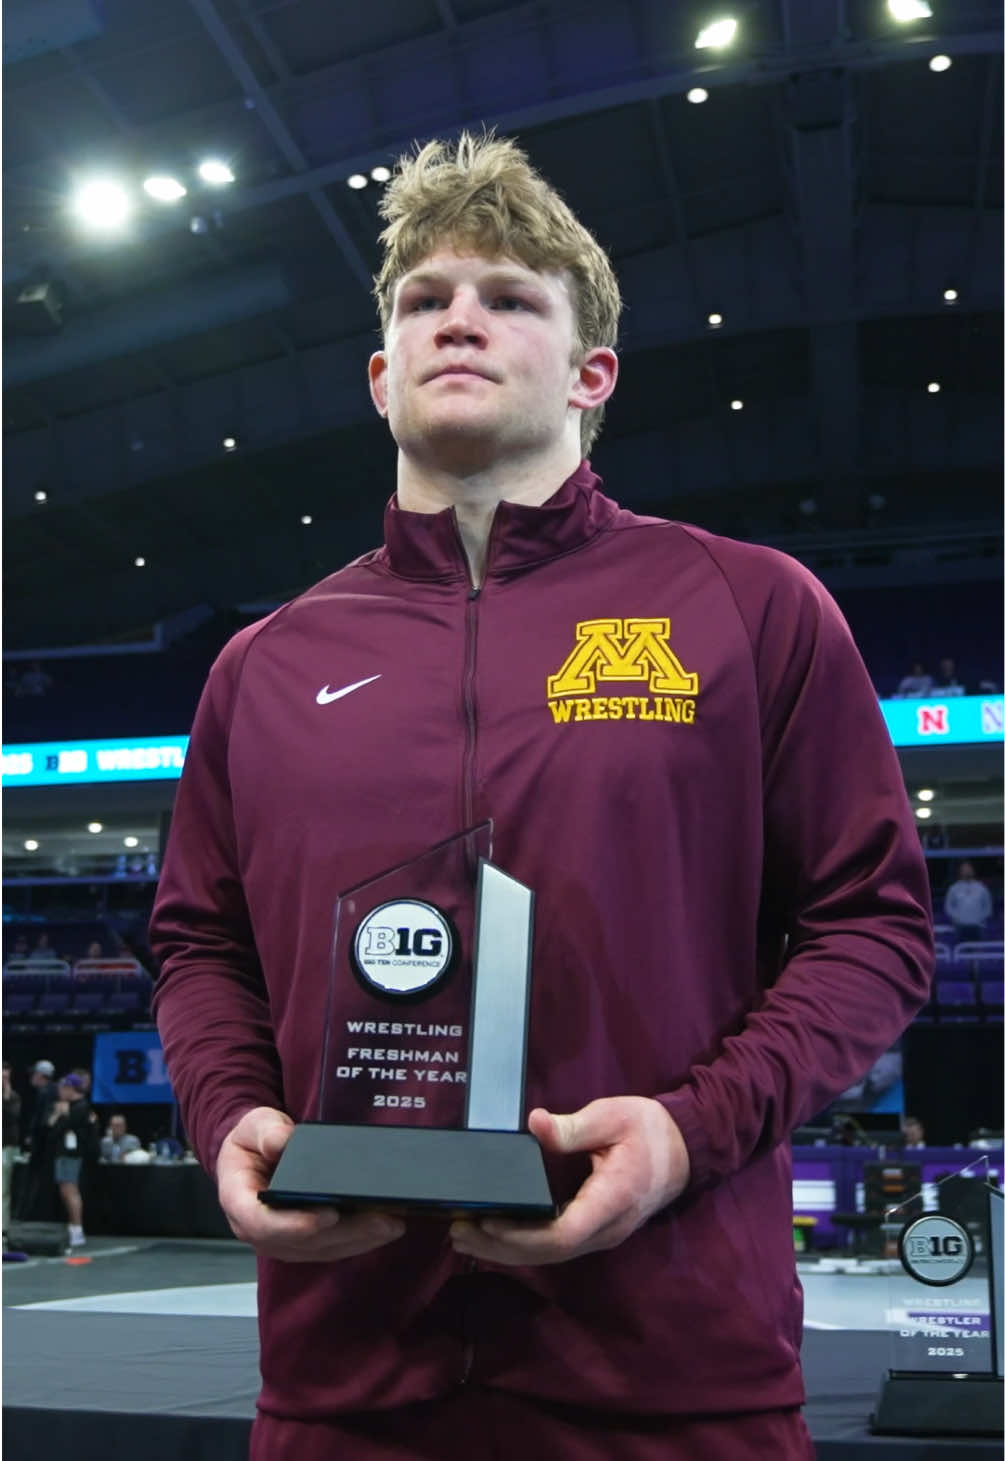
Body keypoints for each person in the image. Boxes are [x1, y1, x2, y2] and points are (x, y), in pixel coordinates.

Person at [149, 132, 934, 1460]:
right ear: (380, 375)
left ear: (590, 373)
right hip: (346, 1381)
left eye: (511, 298)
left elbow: (875, 926)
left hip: (673, 1378)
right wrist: (231, 1118)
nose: (461, 316)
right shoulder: (264, 666)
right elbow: (198, 943)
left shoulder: (748, 610)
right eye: (423, 299)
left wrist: (686, 1136)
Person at [45, 1073, 93, 1249]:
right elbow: (51, 1130)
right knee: (65, 1190)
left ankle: (77, 1229)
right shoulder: (68, 1106)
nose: (59, 1092)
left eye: (62, 1088)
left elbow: (65, 1127)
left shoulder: (80, 1107)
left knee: (70, 1190)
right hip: (63, 1153)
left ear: (70, 1089)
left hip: (71, 1155)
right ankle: (73, 1227)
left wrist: (63, 1115)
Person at [944, 860, 992, 942]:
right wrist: (957, 918)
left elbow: (988, 906)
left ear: (973, 870)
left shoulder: (981, 888)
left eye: (968, 868)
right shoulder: (954, 888)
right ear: (960, 871)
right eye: (964, 869)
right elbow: (948, 907)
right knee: (961, 951)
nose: (967, 871)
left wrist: (980, 918)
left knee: (977, 951)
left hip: (978, 925)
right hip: (960, 926)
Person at [2, 1061, 22, 1246]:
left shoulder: (13, 1098)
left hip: (6, 1147)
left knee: (3, 1189)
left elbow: (10, 1117)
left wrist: (6, 1094)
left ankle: (3, 1228)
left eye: (6, 1077)